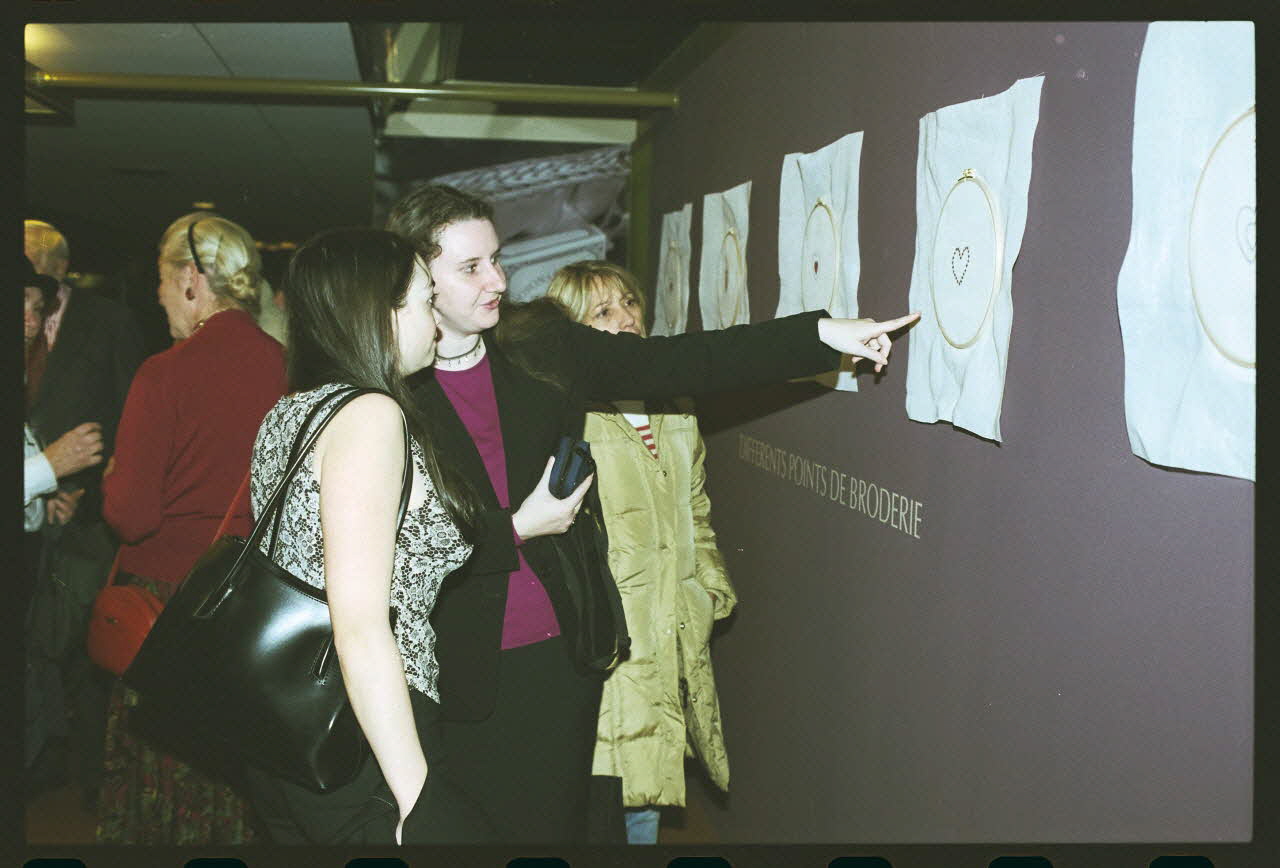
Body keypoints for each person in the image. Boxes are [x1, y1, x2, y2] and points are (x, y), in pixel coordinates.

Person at [385, 183, 919, 843]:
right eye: (471, 267)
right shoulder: (386, 388)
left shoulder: (541, 343)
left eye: (496, 258)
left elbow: (683, 359)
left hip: (561, 653)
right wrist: (517, 528)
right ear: (416, 276)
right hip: (455, 664)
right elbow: (396, 546)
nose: (497, 279)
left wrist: (824, 335)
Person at [243, 228, 494, 845]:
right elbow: (359, 622)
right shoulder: (370, 415)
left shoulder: (292, 410)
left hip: (283, 723)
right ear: (376, 312)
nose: (436, 320)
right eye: (423, 300)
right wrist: (419, 798)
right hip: (357, 728)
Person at [96, 213, 287, 844]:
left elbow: (132, 514)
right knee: (238, 776)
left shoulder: (165, 373)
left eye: (159, 280)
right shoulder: (292, 370)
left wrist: (114, 478)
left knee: (164, 784)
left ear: (189, 279)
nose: (156, 297)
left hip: (170, 603)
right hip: (256, 604)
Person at [546, 260, 736, 844]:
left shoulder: (672, 405)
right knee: (605, 799)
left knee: (647, 796)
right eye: (603, 313)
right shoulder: (567, 413)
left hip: (672, 632)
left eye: (629, 303)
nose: (626, 319)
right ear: (572, 335)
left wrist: (708, 589)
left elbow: (696, 509)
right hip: (606, 644)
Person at [24, 220, 145, 808]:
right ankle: (40, 764)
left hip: (87, 516)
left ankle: (91, 780)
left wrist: (88, 493)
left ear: (61, 270)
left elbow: (129, 428)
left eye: (35, 272)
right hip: (25, 510)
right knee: (34, 644)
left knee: (90, 645)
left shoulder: (110, 323)